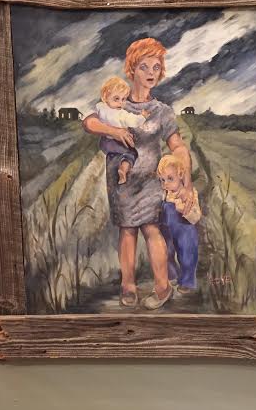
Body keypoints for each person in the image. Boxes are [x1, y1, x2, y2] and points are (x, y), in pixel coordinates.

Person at [83, 37, 194, 309]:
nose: (150, 73)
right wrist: (114, 131)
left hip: (151, 180)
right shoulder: (116, 102)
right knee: (127, 230)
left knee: (152, 228)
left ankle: (162, 288)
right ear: (131, 69)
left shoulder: (162, 111)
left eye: (156, 67)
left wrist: (186, 180)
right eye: (144, 67)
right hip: (122, 182)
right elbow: (89, 122)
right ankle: (128, 286)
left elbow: (178, 146)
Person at [153, 154, 200, 302]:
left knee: (187, 254)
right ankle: (172, 276)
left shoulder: (188, 194)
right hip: (167, 229)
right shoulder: (164, 195)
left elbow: (196, 215)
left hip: (185, 230)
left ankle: (187, 281)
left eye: (170, 178)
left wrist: (184, 210)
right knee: (166, 252)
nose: (165, 183)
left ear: (180, 175)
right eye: (162, 180)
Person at [96, 76, 150, 184]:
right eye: (116, 99)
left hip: (105, 143)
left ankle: (115, 159)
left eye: (123, 99)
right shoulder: (121, 114)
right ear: (105, 97)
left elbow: (93, 118)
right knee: (132, 153)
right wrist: (143, 117)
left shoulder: (100, 108)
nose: (120, 103)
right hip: (117, 142)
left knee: (115, 155)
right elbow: (134, 121)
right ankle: (123, 169)